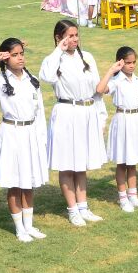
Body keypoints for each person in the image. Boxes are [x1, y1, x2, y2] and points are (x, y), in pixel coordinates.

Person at [0, 38, 50, 242]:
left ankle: (29, 225)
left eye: (21, 53)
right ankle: (19, 228)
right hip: (11, 133)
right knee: (15, 182)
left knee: (29, 182)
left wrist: (42, 138)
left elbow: (40, 111)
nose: (20, 58)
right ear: (6, 58)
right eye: (14, 55)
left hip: (30, 132)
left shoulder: (32, 80)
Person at [39, 20, 106, 226]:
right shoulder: (54, 60)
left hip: (87, 112)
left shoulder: (87, 57)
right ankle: (72, 209)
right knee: (67, 164)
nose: (75, 39)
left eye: (77, 35)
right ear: (59, 38)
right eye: (70, 36)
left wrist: (101, 115)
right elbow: (46, 77)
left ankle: (83, 206)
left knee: (81, 163)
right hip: (66, 113)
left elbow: (97, 89)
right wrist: (58, 50)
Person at [97, 46, 138, 212]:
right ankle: (122, 198)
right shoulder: (116, 81)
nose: (132, 65)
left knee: (132, 161)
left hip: (136, 121)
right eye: (128, 63)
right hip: (122, 120)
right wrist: (111, 70)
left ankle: (133, 196)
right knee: (122, 162)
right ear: (120, 62)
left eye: (134, 62)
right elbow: (100, 89)